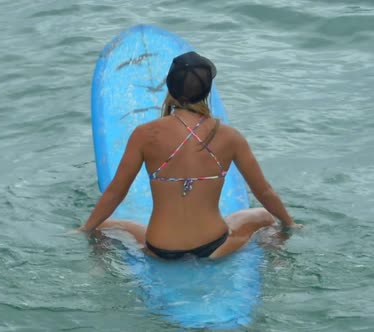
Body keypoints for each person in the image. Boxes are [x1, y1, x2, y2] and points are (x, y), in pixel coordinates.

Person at [79, 51, 301, 260]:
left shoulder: (145, 135)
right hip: (214, 245)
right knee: (263, 216)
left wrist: (84, 229)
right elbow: (263, 190)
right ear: (207, 90)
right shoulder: (229, 136)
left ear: (170, 87)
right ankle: (276, 262)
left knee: (105, 226)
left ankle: (98, 266)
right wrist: (290, 224)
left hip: (159, 249)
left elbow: (116, 191)